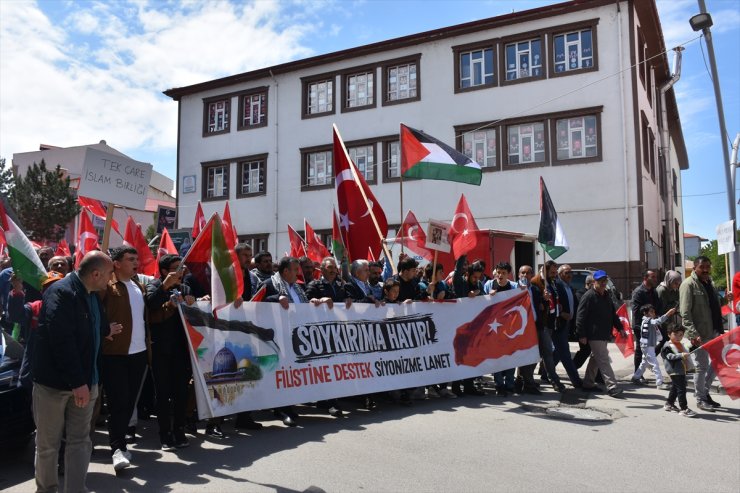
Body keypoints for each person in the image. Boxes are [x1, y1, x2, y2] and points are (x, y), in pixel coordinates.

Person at [32, 251, 119, 492]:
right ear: (95, 274)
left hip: (86, 383)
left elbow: (95, 328)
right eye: (109, 273)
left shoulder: (93, 295)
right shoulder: (60, 293)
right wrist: (78, 382)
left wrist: (103, 331)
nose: (111, 279)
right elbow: (61, 341)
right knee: (48, 445)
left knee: (80, 442)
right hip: (55, 386)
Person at [99, 246, 149, 471]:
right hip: (115, 354)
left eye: (136, 258)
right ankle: (117, 448)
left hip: (138, 354)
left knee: (129, 402)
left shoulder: (138, 286)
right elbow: (94, 311)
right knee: (118, 403)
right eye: (130, 259)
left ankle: (120, 442)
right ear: (116, 263)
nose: (136, 262)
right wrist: (104, 328)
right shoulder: (106, 287)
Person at [146, 254, 196, 450]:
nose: (181, 271)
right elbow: (150, 303)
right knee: (163, 393)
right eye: (176, 268)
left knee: (181, 393)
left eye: (182, 268)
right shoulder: (154, 285)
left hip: (181, 349)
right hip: (161, 349)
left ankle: (179, 430)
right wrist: (165, 287)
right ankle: (164, 433)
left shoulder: (185, 288)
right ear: (165, 271)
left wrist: (197, 301)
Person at [259, 256, 306, 425]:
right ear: (285, 271)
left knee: (293, 373)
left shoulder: (299, 288)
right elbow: (256, 303)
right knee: (282, 374)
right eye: (295, 270)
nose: (298, 273)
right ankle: (281, 409)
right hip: (278, 337)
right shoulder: (269, 284)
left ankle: (289, 406)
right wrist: (275, 298)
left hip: (297, 336)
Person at [305, 256, 351, 417]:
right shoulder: (314, 284)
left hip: (338, 332)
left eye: (335, 268)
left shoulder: (341, 285)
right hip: (321, 333)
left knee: (334, 366)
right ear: (322, 270)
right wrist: (317, 301)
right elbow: (305, 303)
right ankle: (331, 402)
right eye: (330, 268)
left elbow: (349, 299)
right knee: (326, 367)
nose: (333, 270)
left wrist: (349, 300)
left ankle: (326, 400)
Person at [679, 256, 724, 412]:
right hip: (699, 334)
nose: (705, 269)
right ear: (695, 268)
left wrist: (725, 300)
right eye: (702, 267)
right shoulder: (688, 285)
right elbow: (685, 313)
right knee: (701, 366)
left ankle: (704, 391)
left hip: (714, 330)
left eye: (708, 266)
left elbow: (713, 305)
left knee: (719, 361)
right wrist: (692, 333)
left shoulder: (709, 283)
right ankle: (701, 399)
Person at [575, 270, 626, 397]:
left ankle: (588, 383)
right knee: (603, 359)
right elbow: (580, 317)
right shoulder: (588, 296)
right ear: (594, 282)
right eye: (600, 281)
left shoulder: (606, 295)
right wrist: (581, 334)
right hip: (594, 334)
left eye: (605, 281)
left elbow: (612, 314)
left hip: (604, 334)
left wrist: (620, 328)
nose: (603, 283)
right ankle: (612, 387)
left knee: (596, 359)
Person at [451, 255, 485, 396]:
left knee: (471, 355)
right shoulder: (461, 283)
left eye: (478, 278)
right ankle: (456, 386)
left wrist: (479, 292)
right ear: (468, 274)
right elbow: (457, 274)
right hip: (459, 326)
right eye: (474, 277)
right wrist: (462, 254)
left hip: (474, 327)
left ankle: (469, 385)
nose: (476, 280)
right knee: (459, 356)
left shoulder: (478, 286)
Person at [484, 261, 519, 396]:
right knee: (497, 357)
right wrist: (488, 297)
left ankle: (510, 384)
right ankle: (499, 384)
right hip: (494, 328)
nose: (500, 275)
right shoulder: (489, 285)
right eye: (498, 272)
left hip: (510, 328)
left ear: (508, 274)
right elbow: (480, 304)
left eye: (503, 273)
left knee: (511, 357)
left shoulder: (514, 286)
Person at [531, 262, 566, 393]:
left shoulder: (552, 282)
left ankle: (524, 379)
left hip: (551, 322)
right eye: (552, 272)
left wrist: (557, 306)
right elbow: (532, 302)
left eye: (555, 272)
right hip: (542, 324)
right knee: (547, 353)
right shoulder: (536, 282)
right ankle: (554, 380)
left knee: (540, 353)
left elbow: (554, 297)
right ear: (544, 270)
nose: (555, 274)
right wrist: (542, 298)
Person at [631, 303, 676, 390]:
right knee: (655, 364)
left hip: (647, 346)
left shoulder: (646, 321)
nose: (653, 313)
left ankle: (636, 377)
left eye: (653, 311)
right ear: (645, 313)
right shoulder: (648, 321)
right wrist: (668, 313)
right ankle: (659, 383)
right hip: (648, 346)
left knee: (644, 363)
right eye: (651, 311)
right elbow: (658, 321)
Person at [552, 264, 583, 388]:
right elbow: (554, 304)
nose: (570, 275)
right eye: (566, 273)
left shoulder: (569, 287)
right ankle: (576, 380)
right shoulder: (557, 286)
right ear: (560, 274)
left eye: (571, 273)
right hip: (558, 323)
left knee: (558, 351)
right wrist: (560, 313)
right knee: (565, 352)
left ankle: (544, 373)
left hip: (568, 324)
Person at [660, 326, 697, 417]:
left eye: (680, 335)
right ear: (669, 335)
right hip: (674, 370)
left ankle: (669, 404)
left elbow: (687, 351)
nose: (678, 337)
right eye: (675, 334)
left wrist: (693, 346)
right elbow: (669, 357)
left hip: (681, 370)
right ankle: (684, 408)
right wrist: (681, 355)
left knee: (675, 388)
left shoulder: (680, 344)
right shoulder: (667, 346)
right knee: (682, 389)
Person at [630, 269, 661, 377]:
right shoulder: (638, 292)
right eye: (653, 277)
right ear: (645, 278)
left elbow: (657, 306)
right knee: (640, 349)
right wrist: (648, 312)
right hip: (640, 325)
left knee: (656, 344)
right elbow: (636, 310)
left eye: (655, 277)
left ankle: (644, 367)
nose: (655, 279)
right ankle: (637, 374)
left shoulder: (654, 291)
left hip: (652, 324)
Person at [655, 270, 682, 347]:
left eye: (678, 283)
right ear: (670, 281)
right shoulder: (662, 290)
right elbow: (663, 308)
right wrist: (675, 305)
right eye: (675, 283)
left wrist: (675, 305)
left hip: (670, 319)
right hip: (662, 320)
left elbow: (678, 301)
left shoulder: (674, 290)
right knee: (664, 342)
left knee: (669, 342)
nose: (677, 285)